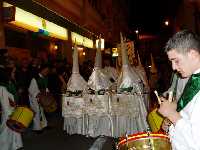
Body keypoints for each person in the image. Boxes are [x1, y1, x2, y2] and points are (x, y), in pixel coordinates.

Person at [158, 30, 200, 150]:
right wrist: (173, 119)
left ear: (193, 54)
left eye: (176, 61)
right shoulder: (194, 78)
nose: (173, 67)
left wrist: (172, 114)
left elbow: (197, 143)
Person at [28, 64, 49, 133]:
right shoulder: (35, 79)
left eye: (47, 70)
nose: (47, 72)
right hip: (35, 98)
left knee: (42, 111)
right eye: (45, 70)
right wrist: (38, 95)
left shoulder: (44, 78)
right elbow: (31, 89)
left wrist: (47, 93)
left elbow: (45, 87)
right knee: (36, 111)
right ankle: (36, 128)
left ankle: (44, 125)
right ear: (41, 70)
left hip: (41, 97)